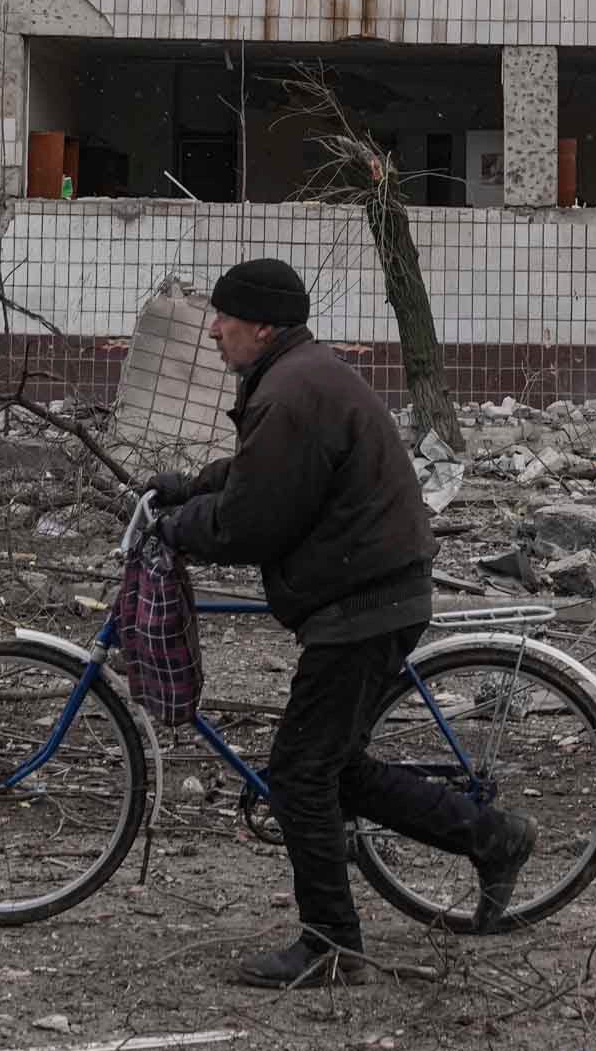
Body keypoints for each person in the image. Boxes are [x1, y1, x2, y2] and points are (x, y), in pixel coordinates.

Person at [149, 258, 533, 987]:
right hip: (369, 587)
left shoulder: (290, 391)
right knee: (333, 766)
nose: (212, 329)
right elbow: (264, 475)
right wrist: (187, 488)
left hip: (363, 598)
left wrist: (180, 528)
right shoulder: (298, 377)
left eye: (223, 317)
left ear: (260, 324)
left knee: (299, 772)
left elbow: (251, 521)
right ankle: (491, 837)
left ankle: (330, 942)